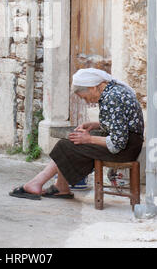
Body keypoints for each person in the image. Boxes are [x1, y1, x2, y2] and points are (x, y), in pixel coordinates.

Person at [9, 68, 144, 200]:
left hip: (125, 149)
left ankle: (38, 184)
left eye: (85, 97)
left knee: (66, 144)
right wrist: (96, 125)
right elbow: (121, 124)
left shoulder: (113, 97)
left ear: (93, 87)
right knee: (71, 142)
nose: (87, 101)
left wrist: (89, 139)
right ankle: (60, 187)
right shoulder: (114, 91)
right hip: (129, 144)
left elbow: (117, 143)